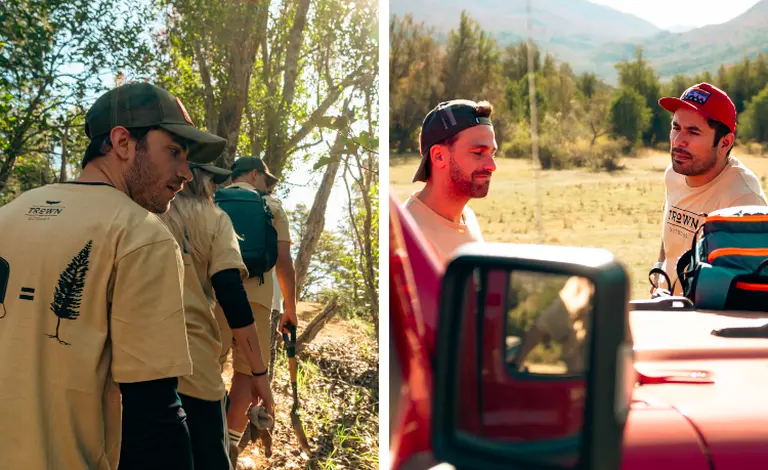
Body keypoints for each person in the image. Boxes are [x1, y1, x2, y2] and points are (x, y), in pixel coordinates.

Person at [0, 82, 227, 469]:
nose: (186, 173)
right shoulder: (141, 235)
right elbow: (154, 416)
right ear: (122, 142)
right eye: (174, 152)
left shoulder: (10, 214)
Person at [157, 163, 275, 470]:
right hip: (194, 367)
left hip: (138, 367)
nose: (216, 190)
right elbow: (232, 297)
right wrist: (260, 374)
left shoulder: (143, 214)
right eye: (213, 182)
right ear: (199, 182)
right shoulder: (215, 220)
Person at [216, 156, 297, 461]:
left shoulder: (212, 200)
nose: (267, 185)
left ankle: (203, 439)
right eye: (266, 178)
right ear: (253, 174)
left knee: (210, 366)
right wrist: (290, 308)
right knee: (247, 376)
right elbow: (284, 264)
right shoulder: (272, 206)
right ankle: (229, 452)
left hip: (216, 294)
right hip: (257, 300)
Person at [653, 82, 768, 296]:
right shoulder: (675, 173)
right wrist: (660, 270)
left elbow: (750, 288)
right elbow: (669, 229)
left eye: (693, 132)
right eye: (675, 127)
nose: (678, 141)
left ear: (725, 143)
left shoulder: (743, 198)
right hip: (665, 305)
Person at [403, 99, 497, 263]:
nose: (492, 166)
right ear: (438, 156)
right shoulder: (409, 236)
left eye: (492, 153)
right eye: (477, 153)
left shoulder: (467, 217)